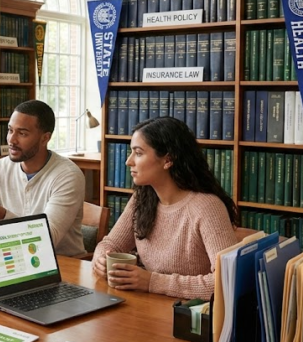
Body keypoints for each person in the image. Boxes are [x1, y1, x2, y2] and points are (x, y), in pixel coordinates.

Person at [92, 116, 239, 300]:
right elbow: (109, 244)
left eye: (138, 153)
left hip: (190, 317)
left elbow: (227, 282)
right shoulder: (142, 198)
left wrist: (152, 282)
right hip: (149, 307)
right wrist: (101, 260)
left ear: (168, 159)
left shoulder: (207, 208)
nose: (128, 161)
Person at [0, 99, 86, 257]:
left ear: (45, 138)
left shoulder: (67, 176)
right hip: (13, 259)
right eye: (10, 130)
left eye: (22, 133)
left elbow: (47, 239)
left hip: (62, 265)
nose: (12, 140)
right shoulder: (0, 168)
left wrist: (1, 215)